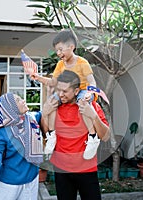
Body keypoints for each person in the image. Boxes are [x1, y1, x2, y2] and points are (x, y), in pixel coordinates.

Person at [41, 70, 110, 200]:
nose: (61, 95)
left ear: (77, 91)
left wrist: (93, 116)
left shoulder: (90, 105)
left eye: (65, 91)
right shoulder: (55, 106)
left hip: (86, 170)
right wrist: (45, 113)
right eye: (59, 90)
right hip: (62, 170)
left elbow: (105, 136)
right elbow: (46, 133)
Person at [31, 29, 100, 160]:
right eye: (57, 50)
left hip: (82, 91)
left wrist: (90, 93)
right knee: (51, 101)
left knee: (83, 103)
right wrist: (38, 78)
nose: (58, 53)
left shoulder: (82, 63)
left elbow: (92, 81)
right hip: (66, 92)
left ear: (71, 47)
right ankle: (51, 135)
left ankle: (92, 137)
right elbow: (53, 82)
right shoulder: (60, 65)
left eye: (61, 49)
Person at [0, 92, 43, 200]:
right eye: (19, 100)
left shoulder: (31, 119)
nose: (23, 100)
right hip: (9, 184)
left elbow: (47, 111)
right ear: (12, 108)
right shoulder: (2, 132)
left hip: (31, 180)